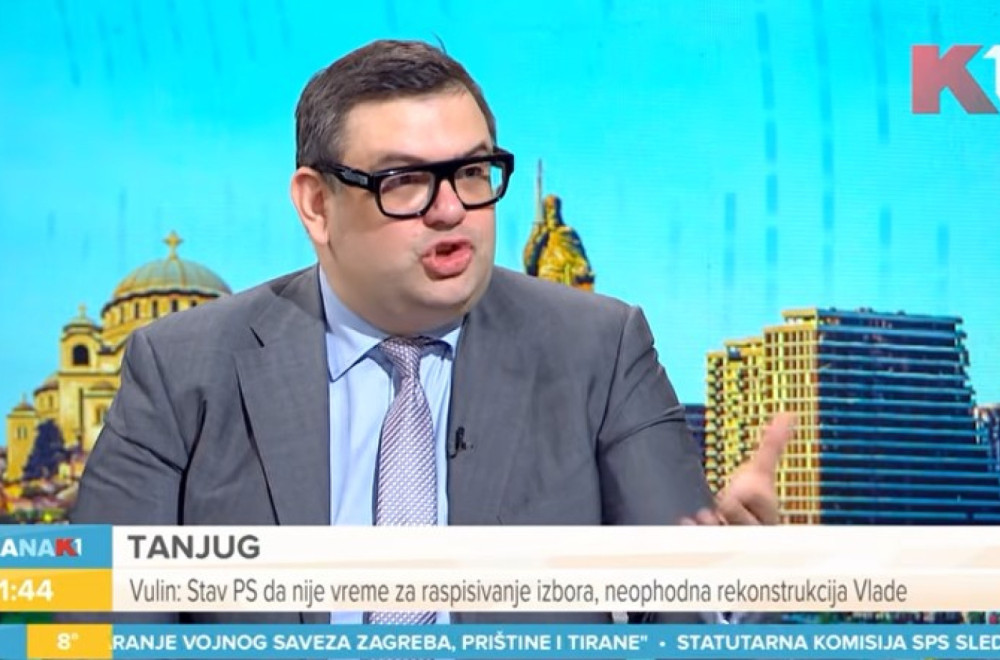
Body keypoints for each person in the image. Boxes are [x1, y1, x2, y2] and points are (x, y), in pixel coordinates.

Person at [69, 39, 793, 625]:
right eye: (405, 181)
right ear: (316, 205)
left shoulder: (601, 351)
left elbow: (684, 614)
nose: (451, 210)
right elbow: (97, 623)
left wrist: (733, 589)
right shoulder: (184, 367)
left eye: (473, 172)